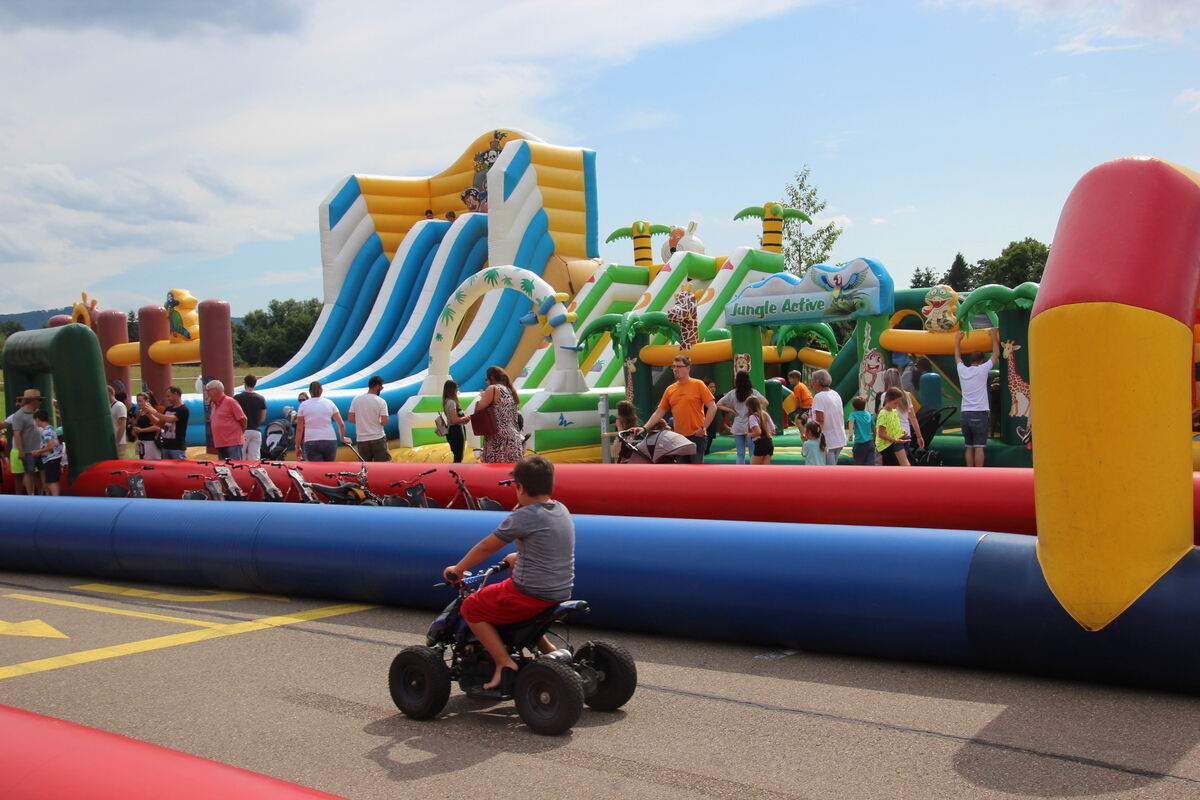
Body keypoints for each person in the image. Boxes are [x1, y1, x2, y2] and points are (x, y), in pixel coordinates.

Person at [443, 455, 574, 690]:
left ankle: (503, 662)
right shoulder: (561, 509)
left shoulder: (524, 516)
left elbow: (487, 546)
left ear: (520, 487)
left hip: (530, 592)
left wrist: (458, 569)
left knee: (471, 606)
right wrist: (521, 557)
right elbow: (551, 549)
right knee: (523, 612)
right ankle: (548, 650)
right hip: (560, 590)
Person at [633, 355, 716, 464]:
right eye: (674, 367)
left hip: (696, 436)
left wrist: (703, 428)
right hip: (679, 438)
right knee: (681, 471)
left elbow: (713, 407)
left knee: (696, 471)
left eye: (679, 366)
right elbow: (659, 412)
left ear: (688, 368)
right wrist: (644, 428)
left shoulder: (698, 384)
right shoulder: (670, 389)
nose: (675, 369)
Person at [954, 328, 1000, 467]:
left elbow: (957, 357)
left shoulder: (962, 370)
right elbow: (996, 353)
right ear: (981, 361)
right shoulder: (983, 369)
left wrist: (957, 340)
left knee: (969, 447)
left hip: (965, 413)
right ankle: (979, 473)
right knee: (979, 447)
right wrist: (993, 336)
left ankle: (969, 472)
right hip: (979, 413)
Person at [716, 371, 767, 465]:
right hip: (750, 426)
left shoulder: (732, 393)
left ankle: (740, 472)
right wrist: (756, 411)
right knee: (752, 452)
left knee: (740, 454)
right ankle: (753, 471)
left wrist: (732, 410)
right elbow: (766, 402)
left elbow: (718, 404)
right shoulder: (753, 392)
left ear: (737, 381)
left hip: (738, 425)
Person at [475, 366, 524, 463]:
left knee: (495, 471)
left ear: (491, 378)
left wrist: (483, 397)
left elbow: (478, 409)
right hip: (514, 439)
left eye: (486, 379)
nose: (486, 382)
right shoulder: (509, 390)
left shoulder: (492, 389)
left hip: (498, 439)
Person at [296, 380, 348, 462]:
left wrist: (297, 446)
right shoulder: (329, 403)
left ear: (310, 391)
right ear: (321, 390)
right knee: (329, 467)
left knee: (316, 468)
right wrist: (342, 438)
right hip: (330, 439)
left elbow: (299, 429)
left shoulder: (303, 405)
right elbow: (341, 424)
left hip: (311, 440)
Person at [881, 368, 925, 459]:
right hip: (906, 433)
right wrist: (919, 436)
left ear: (886, 380)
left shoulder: (885, 396)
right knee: (903, 460)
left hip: (892, 434)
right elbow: (913, 417)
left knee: (897, 462)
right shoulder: (906, 395)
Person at [349, 375, 391, 462]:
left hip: (362, 439)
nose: (382, 389)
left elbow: (351, 418)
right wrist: (376, 422)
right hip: (377, 437)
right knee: (382, 466)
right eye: (381, 387)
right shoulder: (381, 401)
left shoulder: (356, 399)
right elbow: (385, 421)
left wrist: (362, 422)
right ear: (377, 386)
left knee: (365, 466)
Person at [809, 369, 846, 465]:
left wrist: (812, 435)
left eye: (812, 381)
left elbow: (820, 420)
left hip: (827, 440)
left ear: (817, 382)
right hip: (839, 437)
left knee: (829, 470)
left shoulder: (819, 397)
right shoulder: (835, 394)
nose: (812, 383)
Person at [205, 380, 247, 460]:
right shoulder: (213, 405)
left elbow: (243, 419)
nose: (207, 393)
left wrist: (241, 433)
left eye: (209, 391)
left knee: (235, 465)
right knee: (223, 466)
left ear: (216, 390)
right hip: (220, 443)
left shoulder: (230, 402)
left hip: (233, 442)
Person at [11, 389, 43, 495]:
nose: (40, 402)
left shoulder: (38, 412)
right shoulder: (19, 415)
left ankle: (41, 493)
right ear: (32, 400)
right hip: (28, 450)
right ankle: (30, 495)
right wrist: (21, 451)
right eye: (39, 400)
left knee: (40, 473)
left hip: (40, 449)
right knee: (29, 473)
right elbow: (17, 434)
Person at [875, 387, 911, 466]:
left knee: (895, 463)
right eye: (895, 403)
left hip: (892, 442)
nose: (897, 405)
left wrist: (902, 432)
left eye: (898, 403)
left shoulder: (894, 411)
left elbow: (895, 426)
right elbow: (881, 434)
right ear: (887, 400)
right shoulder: (883, 414)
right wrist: (895, 440)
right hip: (885, 445)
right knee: (898, 463)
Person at [31, 408, 63, 495]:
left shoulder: (46, 431)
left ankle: (55, 498)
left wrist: (38, 452)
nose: (35, 423)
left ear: (38, 419)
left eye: (35, 421)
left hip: (51, 458)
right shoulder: (51, 428)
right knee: (53, 480)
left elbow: (51, 445)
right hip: (55, 457)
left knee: (51, 481)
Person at [235, 374, 267, 461]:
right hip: (256, 430)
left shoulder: (237, 398)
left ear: (245, 384)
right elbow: (263, 418)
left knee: (240, 457)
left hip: (242, 431)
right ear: (255, 384)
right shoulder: (261, 398)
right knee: (255, 458)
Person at [441, 380, 471, 463]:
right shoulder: (452, 402)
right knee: (459, 457)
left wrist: (463, 419)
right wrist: (466, 418)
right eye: (456, 388)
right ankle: (455, 470)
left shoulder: (446, 401)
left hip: (452, 431)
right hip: (456, 431)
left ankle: (455, 470)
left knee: (457, 456)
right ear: (452, 389)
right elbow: (454, 420)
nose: (457, 390)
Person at [131, 392, 162, 460]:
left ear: (147, 401)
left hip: (150, 441)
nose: (139, 403)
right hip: (141, 441)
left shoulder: (152, 411)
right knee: (142, 461)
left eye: (140, 401)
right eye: (137, 401)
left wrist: (141, 430)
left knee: (151, 462)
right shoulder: (139, 412)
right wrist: (134, 430)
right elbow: (138, 424)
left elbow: (157, 427)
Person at [745, 396, 775, 465]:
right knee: (765, 468)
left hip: (760, 443)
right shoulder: (765, 414)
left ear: (749, 407)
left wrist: (749, 434)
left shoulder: (752, 417)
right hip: (769, 442)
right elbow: (773, 429)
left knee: (754, 468)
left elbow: (758, 432)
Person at [847, 396, 875, 466]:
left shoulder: (853, 414)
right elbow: (874, 427)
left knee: (858, 464)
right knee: (870, 464)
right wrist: (875, 438)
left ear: (854, 407)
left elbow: (851, 423)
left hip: (859, 444)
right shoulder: (868, 414)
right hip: (870, 443)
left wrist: (850, 434)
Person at [110, 388, 129, 459]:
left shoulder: (119, 406)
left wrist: (117, 441)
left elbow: (122, 425)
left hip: (119, 441)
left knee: (119, 460)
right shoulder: (109, 405)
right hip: (111, 441)